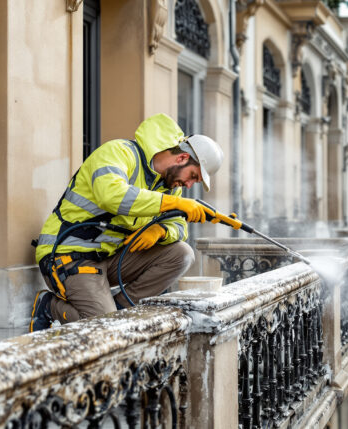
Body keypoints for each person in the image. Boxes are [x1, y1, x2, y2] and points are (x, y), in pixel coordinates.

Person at [29, 113, 225, 331]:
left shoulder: (168, 186)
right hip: (69, 254)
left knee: (181, 254)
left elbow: (179, 226)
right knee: (105, 328)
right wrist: (172, 203)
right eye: (193, 176)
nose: (189, 185)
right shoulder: (119, 152)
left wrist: (160, 230)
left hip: (110, 256)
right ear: (182, 158)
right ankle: (49, 306)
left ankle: (120, 309)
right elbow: (111, 195)